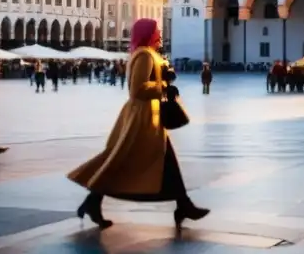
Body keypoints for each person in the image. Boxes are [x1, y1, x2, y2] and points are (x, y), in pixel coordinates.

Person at [68, 18, 208, 230]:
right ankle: (92, 201)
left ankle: (183, 204)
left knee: (162, 160)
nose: (160, 34)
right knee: (122, 159)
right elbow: (137, 89)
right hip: (141, 118)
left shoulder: (148, 54)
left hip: (149, 116)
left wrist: (165, 76)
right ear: (147, 34)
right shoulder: (143, 55)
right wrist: (162, 87)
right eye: (156, 31)